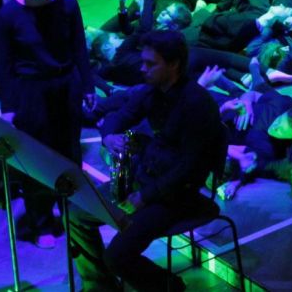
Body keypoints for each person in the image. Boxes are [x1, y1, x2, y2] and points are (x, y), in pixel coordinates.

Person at [70, 31, 223, 292]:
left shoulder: (197, 104)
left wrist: (145, 197)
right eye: (143, 62)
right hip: (145, 181)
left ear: (173, 65)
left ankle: (169, 287)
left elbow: (190, 168)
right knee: (75, 212)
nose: (142, 69)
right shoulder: (150, 91)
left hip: (176, 196)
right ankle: (100, 286)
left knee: (117, 256)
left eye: (150, 64)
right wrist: (108, 137)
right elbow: (118, 118)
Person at [0, 0, 93, 249]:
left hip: (65, 85)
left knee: (69, 152)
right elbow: (4, 64)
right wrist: (9, 106)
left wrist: (87, 85)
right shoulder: (8, 15)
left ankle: (72, 215)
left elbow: (78, 44)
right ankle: (41, 220)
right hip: (31, 93)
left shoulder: (65, 3)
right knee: (37, 157)